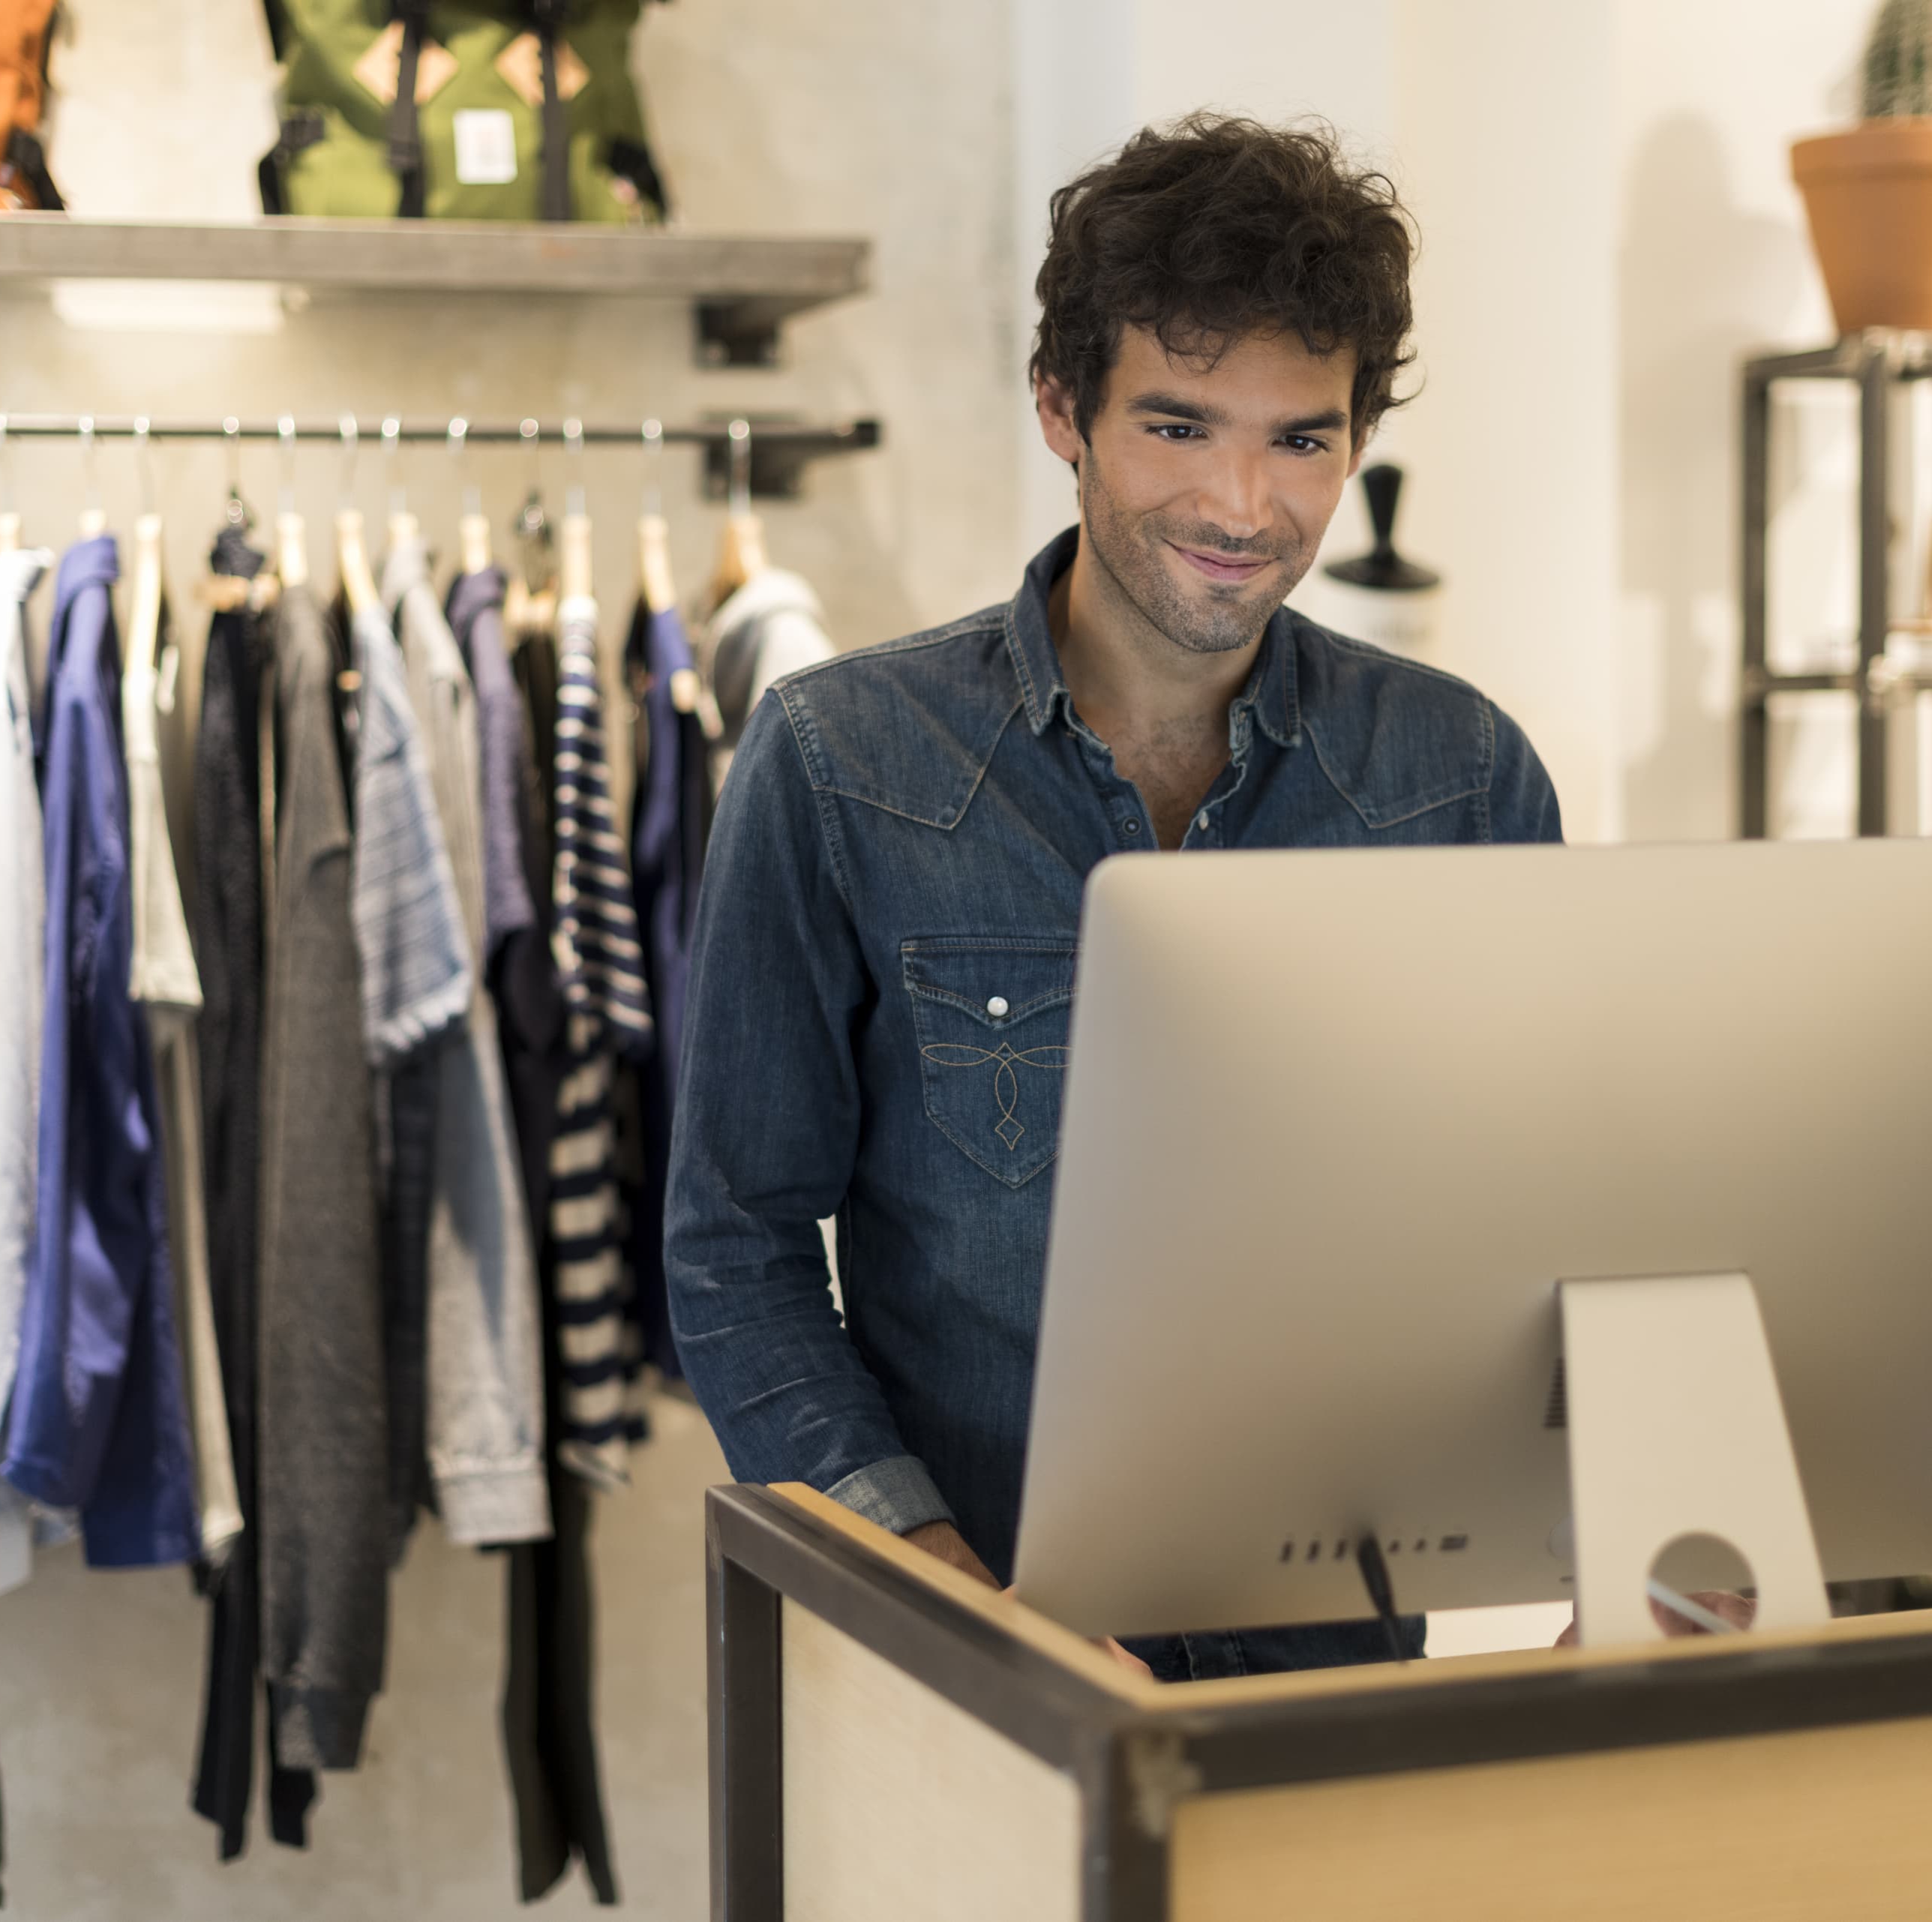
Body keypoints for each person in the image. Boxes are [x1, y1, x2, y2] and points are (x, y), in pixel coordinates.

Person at [665, 113, 1562, 1684]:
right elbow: (734, 1251)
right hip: (959, 1664)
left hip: (1333, 1681)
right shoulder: (840, 764)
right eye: (1178, 425)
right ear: (1060, 410)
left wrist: (1631, 1536)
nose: (1242, 503)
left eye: (1302, 439)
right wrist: (957, 1607)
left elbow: (1562, 1218)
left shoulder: (1462, 778)